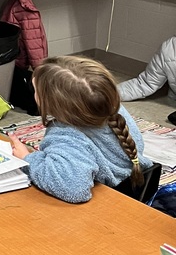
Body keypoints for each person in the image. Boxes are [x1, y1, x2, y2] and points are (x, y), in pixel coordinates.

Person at [9, 56, 152, 204]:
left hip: (108, 205)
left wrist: (27, 159)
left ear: (52, 103)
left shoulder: (65, 134)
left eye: (36, 90)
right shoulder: (116, 111)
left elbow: (74, 190)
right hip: (133, 188)